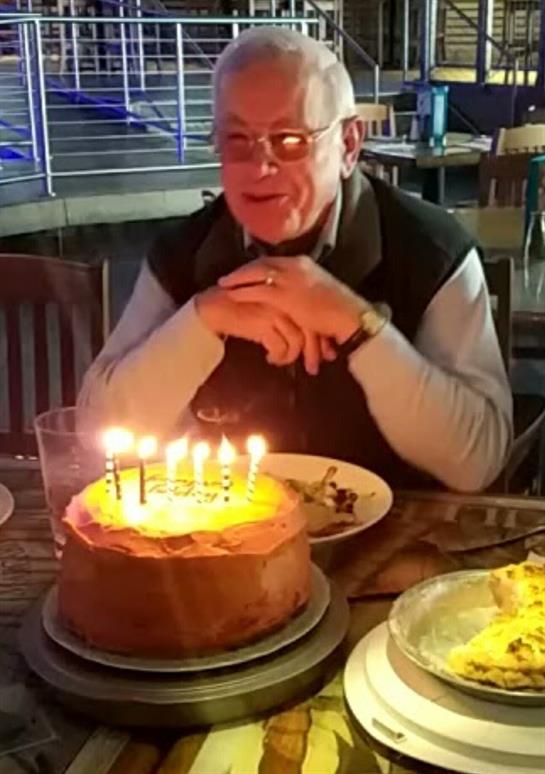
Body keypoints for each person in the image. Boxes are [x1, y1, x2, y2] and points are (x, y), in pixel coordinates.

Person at [78, 27, 512, 492]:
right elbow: (96, 431)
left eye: (288, 140)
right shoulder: (184, 251)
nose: (259, 168)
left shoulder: (432, 250)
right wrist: (204, 319)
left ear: (348, 145)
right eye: (237, 139)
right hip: (230, 530)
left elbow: (478, 462)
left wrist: (357, 326)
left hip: (397, 538)